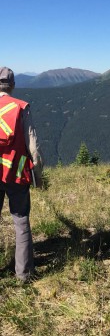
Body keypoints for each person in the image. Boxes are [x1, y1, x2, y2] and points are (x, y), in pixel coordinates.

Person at [0, 66, 43, 283]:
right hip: (16, 174)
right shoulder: (21, 107)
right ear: (13, 85)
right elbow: (32, 147)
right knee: (20, 220)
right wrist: (38, 174)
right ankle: (23, 275)